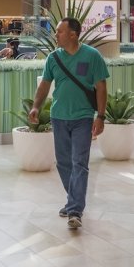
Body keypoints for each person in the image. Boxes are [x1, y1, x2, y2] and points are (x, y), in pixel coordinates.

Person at [28, 18, 109, 230]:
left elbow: (101, 88)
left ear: (73, 34)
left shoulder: (92, 56)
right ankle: (74, 199)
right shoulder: (53, 58)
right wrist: (36, 107)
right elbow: (44, 86)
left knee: (79, 162)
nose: (56, 35)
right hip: (59, 117)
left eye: (60, 32)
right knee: (64, 163)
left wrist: (100, 116)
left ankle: (74, 209)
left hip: (83, 118)